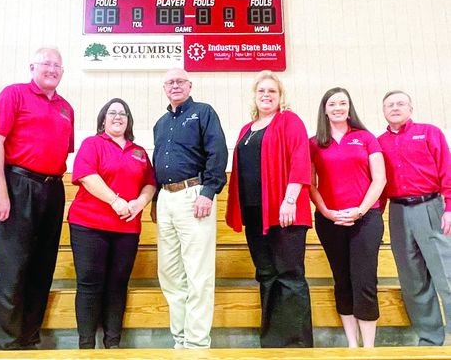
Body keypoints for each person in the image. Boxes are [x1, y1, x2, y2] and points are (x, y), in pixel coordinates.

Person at [0, 47, 74, 350]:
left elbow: (61, 150)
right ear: (32, 66)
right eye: (46, 64)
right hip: (19, 183)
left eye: (57, 65)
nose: (51, 69)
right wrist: (0, 191)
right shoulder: (13, 94)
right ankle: (7, 346)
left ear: (62, 72)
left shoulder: (66, 108)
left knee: (41, 266)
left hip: (53, 188)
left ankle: (29, 339)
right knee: (12, 267)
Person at [225, 70, 313, 348]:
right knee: (266, 276)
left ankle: (297, 344)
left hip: (284, 212)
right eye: (261, 91)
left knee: (290, 275)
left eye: (271, 91)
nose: (266, 95)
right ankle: (274, 341)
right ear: (255, 95)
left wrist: (289, 200)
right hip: (255, 215)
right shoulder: (246, 130)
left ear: (280, 96)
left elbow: (301, 159)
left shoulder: (289, 121)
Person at [67, 98, 156, 349]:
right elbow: (86, 176)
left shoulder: (139, 151)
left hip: (127, 228)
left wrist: (141, 201)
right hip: (89, 225)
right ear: (103, 119)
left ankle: (113, 344)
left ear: (128, 120)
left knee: (118, 284)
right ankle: (86, 345)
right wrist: (115, 201)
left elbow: (150, 182)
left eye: (123, 113)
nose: (118, 117)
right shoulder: (92, 144)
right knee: (90, 282)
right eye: (112, 113)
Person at [152, 68, 227, 349]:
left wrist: (208, 192)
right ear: (164, 88)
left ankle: (197, 344)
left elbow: (217, 152)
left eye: (179, 81)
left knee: (198, 273)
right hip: (166, 199)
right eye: (169, 82)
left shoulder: (203, 112)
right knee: (169, 273)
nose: (174, 85)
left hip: (194, 194)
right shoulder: (160, 123)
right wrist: (158, 200)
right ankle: (180, 339)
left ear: (189, 85)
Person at [309, 87, 386, 347]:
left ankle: (369, 347)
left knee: (364, 280)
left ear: (349, 107)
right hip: (330, 221)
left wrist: (360, 210)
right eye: (333, 104)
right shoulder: (314, 142)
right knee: (342, 280)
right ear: (325, 109)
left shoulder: (366, 137)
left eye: (343, 103)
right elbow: (310, 184)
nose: (338, 108)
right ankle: (352, 345)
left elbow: (380, 179)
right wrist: (327, 212)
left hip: (366, 219)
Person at [378, 90, 451, 346]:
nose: (395, 107)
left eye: (400, 103)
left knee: (446, 275)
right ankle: (430, 338)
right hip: (397, 212)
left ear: (411, 108)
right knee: (412, 280)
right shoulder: (379, 143)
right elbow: (379, 183)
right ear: (384, 111)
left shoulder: (430, 133)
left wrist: (449, 208)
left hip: (430, 207)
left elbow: (447, 170)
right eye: (390, 105)